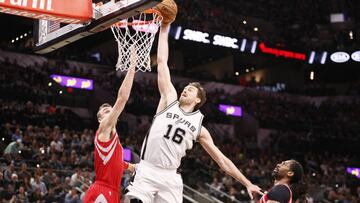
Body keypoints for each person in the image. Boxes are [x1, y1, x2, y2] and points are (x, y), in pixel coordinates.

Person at [125, 22, 263, 203]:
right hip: (147, 170)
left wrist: (247, 183)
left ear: (198, 100)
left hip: (170, 177)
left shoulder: (200, 128)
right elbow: (162, 62)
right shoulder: (169, 100)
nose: (185, 90)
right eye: (186, 87)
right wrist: (165, 29)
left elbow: (222, 161)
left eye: (191, 90)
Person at [83, 50, 137, 203]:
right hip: (102, 190)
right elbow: (122, 98)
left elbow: (121, 164)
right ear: (100, 119)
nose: (110, 110)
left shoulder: (115, 145)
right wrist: (132, 67)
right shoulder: (104, 129)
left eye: (110, 109)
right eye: (105, 111)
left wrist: (137, 168)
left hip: (112, 193)